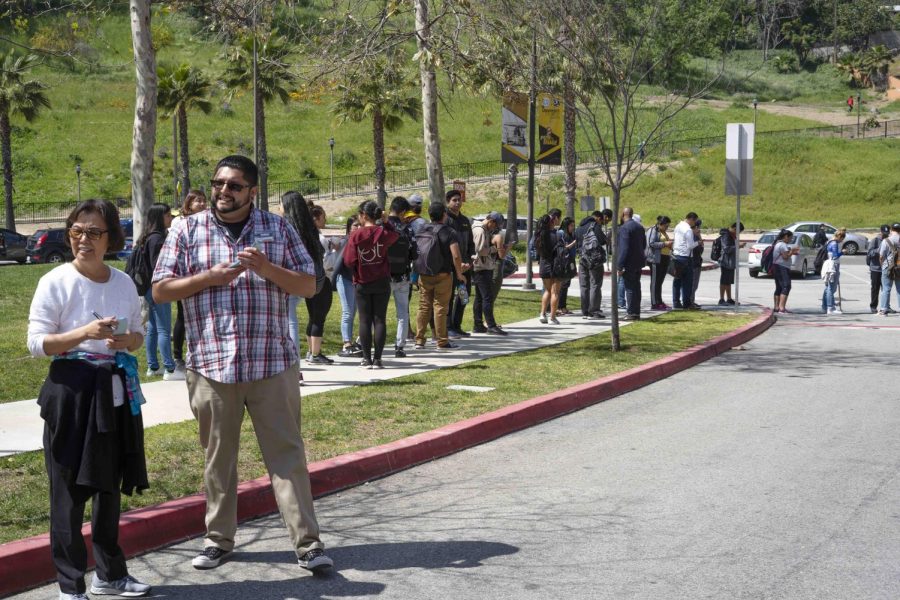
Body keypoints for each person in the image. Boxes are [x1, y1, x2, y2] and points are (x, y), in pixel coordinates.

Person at [152, 155, 333, 573]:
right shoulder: (186, 228)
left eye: (234, 186)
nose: (223, 192)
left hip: (271, 362)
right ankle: (218, 539)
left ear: (252, 191)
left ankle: (307, 544)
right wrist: (208, 279)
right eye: (218, 183)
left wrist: (266, 268)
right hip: (211, 365)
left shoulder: (277, 227)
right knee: (218, 458)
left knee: (287, 456)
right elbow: (161, 290)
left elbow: (309, 285)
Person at [27, 199, 151, 599]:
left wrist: (126, 340)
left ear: (110, 238)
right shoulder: (55, 281)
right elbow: (36, 344)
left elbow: (137, 337)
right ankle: (70, 585)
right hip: (71, 393)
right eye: (77, 231)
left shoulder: (123, 283)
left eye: (94, 232)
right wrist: (84, 333)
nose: (84, 240)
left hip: (112, 392)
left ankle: (110, 575)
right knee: (67, 493)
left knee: (108, 489)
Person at [343, 200, 399, 368]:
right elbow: (395, 235)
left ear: (364, 215)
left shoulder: (356, 235)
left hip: (362, 281)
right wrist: (386, 221)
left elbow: (348, 260)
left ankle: (366, 358)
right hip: (381, 280)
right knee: (379, 319)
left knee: (365, 320)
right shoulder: (382, 232)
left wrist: (357, 267)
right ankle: (378, 359)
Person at [282, 193, 334, 364]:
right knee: (296, 320)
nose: (279, 209)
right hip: (311, 280)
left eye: (281, 204)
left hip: (290, 280)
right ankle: (306, 357)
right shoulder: (309, 228)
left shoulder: (286, 227)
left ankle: (295, 365)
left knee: (290, 322)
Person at [134, 202, 179, 380]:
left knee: (152, 329)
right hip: (158, 288)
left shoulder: (147, 237)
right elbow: (158, 267)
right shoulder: (158, 239)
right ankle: (170, 368)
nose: (171, 218)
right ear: (160, 218)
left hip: (147, 289)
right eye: (168, 215)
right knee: (163, 329)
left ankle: (153, 367)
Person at [415, 201, 466, 350]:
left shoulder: (422, 229)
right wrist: (459, 274)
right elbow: (456, 256)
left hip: (424, 274)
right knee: (440, 308)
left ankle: (419, 340)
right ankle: (442, 341)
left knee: (424, 307)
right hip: (443, 275)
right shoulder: (449, 232)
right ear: (444, 214)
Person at [171, 189, 207, 374]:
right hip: (185, 276)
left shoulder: (210, 222)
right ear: (189, 204)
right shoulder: (180, 222)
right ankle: (177, 355)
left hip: (204, 275)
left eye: (203, 200)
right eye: (197, 201)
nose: (201, 204)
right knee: (182, 315)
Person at [386, 196, 416, 357]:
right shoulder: (406, 229)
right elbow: (415, 253)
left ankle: (363, 342)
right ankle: (399, 346)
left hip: (384, 276)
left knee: (378, 312)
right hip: (403, 277)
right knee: (403, 313)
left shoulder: (381, 226)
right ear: (403, 211)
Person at [471, 211, 507, 335]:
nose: (495, 229)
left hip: (482, 266)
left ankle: (478, 324)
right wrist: (495, 248)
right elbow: (480, 250)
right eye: (495, 226)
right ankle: (491, 325)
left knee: (480, 298)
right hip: (481, 267)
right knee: (487, 297)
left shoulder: (483, 229)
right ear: (491, 221)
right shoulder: (480, 230)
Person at [445, 189, 473, 338]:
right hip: (451, 267)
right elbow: (444, 245)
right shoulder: (445, 220)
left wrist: (468, 262)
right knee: (448, 297)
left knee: (464, 295)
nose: (457, 202)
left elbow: (470, 244)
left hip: (465, 267)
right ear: (448, 202)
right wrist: (456, 264)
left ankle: (457, 325)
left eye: (459, 200)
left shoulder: (465, 221)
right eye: (454, 200)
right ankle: (448, 327)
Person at [334, 216, 363, 357]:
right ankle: (346, 343)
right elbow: (339, 264)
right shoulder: (346, 241)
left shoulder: (360, 241)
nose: (358, 228)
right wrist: (334, 280)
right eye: (355, 226)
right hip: (344, 279)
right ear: (349, 228)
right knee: (347, 312)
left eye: (359, 225)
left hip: (355, 280)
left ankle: (351, 342)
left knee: (354, 311)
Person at [575, 211, 608, 319]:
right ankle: (594, 310)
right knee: (595, 285)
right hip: (595, 261)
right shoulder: (595, 226)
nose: (602, 222)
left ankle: (585, 310)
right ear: (597, 218)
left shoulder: (579, 228)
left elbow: (577, 244)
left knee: (584, 286)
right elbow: (602, 241)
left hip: (583, 260)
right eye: (601, 220)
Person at [616, 206, 646, 320]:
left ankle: (632, 313)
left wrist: (620, 265)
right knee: (636, 287)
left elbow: (624, 248)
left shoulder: (624, 228)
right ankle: (636, 312)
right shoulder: (639, 227)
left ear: (623, 215)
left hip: (629, 263)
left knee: (629, 288)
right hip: (638, 261)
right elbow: (643, 245)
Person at [535, 211, 564, 324]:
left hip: (544, 265)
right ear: (552, 222)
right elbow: (561, 249)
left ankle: (542, 314)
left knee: (547, 290)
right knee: (555, 292)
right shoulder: (557, 235)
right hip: (555, 265)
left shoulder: (538, 235)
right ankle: (552, 317)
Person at [671, 212, 699, 309]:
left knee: (677, 281)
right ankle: (687, 303)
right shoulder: (688, 230)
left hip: (676, 256)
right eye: (694, 221)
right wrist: (698, 242)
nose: (694, 224)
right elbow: (690, 246)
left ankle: (676, 302)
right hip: (685, 257)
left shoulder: (678, 226)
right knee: (687, 282)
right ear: (691, 219)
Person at [646, 215, 673, 311]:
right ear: (660, 224)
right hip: (655, 259)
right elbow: (651, 243)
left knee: (660, 282)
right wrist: (665, 244)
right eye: (666, 226)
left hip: (664, 258)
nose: (667, 228)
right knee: (655, 282)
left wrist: (669, 245)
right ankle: (654, 303)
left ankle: (659, 301)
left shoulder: (663, 232)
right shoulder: (652, 230)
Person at [772, 229, 800, 314]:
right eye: (790, 238)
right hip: (782, 267)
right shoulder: (783, 245)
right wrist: (792, 251)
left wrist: (791, 251)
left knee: (779, 287)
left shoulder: (777, 243)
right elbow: (785, 257)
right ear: (786, 237)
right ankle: (782, 308)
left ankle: (777, 307)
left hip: (777, 266)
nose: (791, 240)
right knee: (786, 286)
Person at [717, 222, 745, 305]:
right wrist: (738, 246)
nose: (738, 233)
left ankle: (729, 298)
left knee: (728, 281)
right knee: (724, 281)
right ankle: (721, 299)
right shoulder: (726, 235)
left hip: (731, 262)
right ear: (735, 229)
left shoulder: (731, 235)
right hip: (726, 261)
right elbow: (726, 249)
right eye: (738, 231)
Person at [556, 217, 578, 315]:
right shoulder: (561, 233)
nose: (573, 228)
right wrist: (573, 243)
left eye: (573, 225)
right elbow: (562, 248)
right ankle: (560, 307)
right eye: (571, 225)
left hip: (570, 261)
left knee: (566, 285)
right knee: (563, 286)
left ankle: (563, 306)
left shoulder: (570, 235)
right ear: (566, 225)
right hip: (563, 262)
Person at [878, 223, 900, 316]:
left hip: (888, 267)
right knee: (899, 289)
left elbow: (881, 256)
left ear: (891, 229)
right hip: (899, 266)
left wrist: (882, 265)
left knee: (886, 289)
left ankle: (884, 309)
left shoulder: (886, 240)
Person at [821, 228, 845, 314]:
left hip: (829, 264)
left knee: (828, 288)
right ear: (839, 237)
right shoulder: (834, 243)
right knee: (831, 287)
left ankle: (825, 306)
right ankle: (830, 308)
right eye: (842, 239)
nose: (842, 241)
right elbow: (835, 256)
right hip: (833, 265)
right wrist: (842, 252)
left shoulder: (829, 242)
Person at [867, 225, 890, 313]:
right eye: (884, 233)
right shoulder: (875, 240)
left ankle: (886, 306)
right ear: (880, 231)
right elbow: (870, 253)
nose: (885, 235)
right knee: (875, 288)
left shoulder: (888, 240)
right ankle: (873, 306)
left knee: (886, 289)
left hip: (886, 267)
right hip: (876, 268)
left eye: (887, 233)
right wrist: (879, 250)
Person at [690, 219, 705, 306]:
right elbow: (700, 250)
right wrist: (699, 237)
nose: (699, 229)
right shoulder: (693, 237)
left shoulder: (695, 236)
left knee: (694, 285)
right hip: (694, 262)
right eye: (698, 227)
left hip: (696, 262)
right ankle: (690, 301)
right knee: (693, 284)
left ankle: (691, 300)